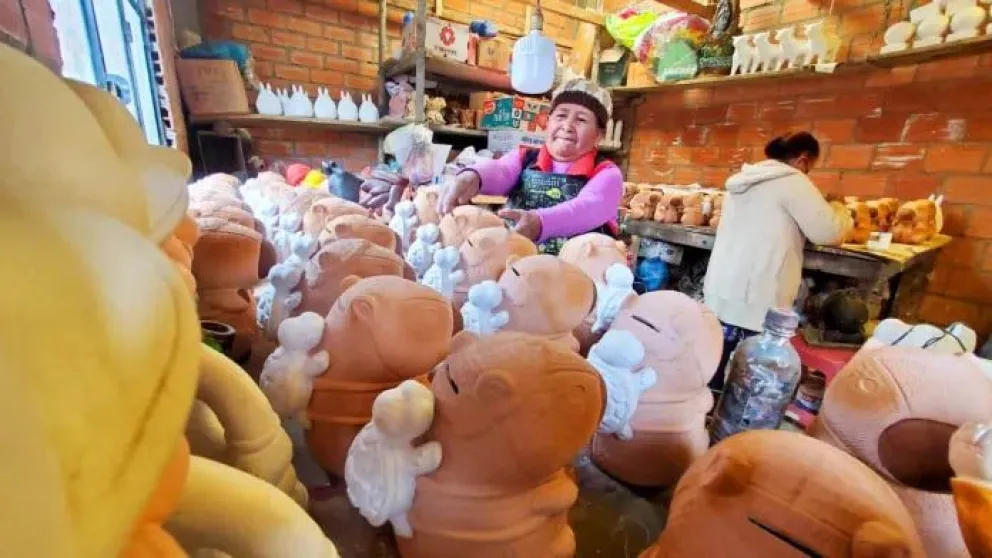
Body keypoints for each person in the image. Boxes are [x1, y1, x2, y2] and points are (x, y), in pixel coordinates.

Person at [703, 131, 852, 395]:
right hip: (759, 291)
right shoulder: (793, 182)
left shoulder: (742, 180)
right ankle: (734, 420)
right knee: (750, 373)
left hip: (724, 285)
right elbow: (828, 232)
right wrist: (840, 208)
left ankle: (707, 407)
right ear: (802, 160)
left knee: (716, 354)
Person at [437, 78, 624, 255]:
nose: (567, 126)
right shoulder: (525, 157)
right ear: (547, 122)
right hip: (517, 267)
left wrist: (540, 222)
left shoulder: (607, 174)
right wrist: (472, 175)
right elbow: (501, 170)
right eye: (561, 116)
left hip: (576, 279)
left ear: (599, 134)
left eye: (581, 120)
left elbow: (586, 208)